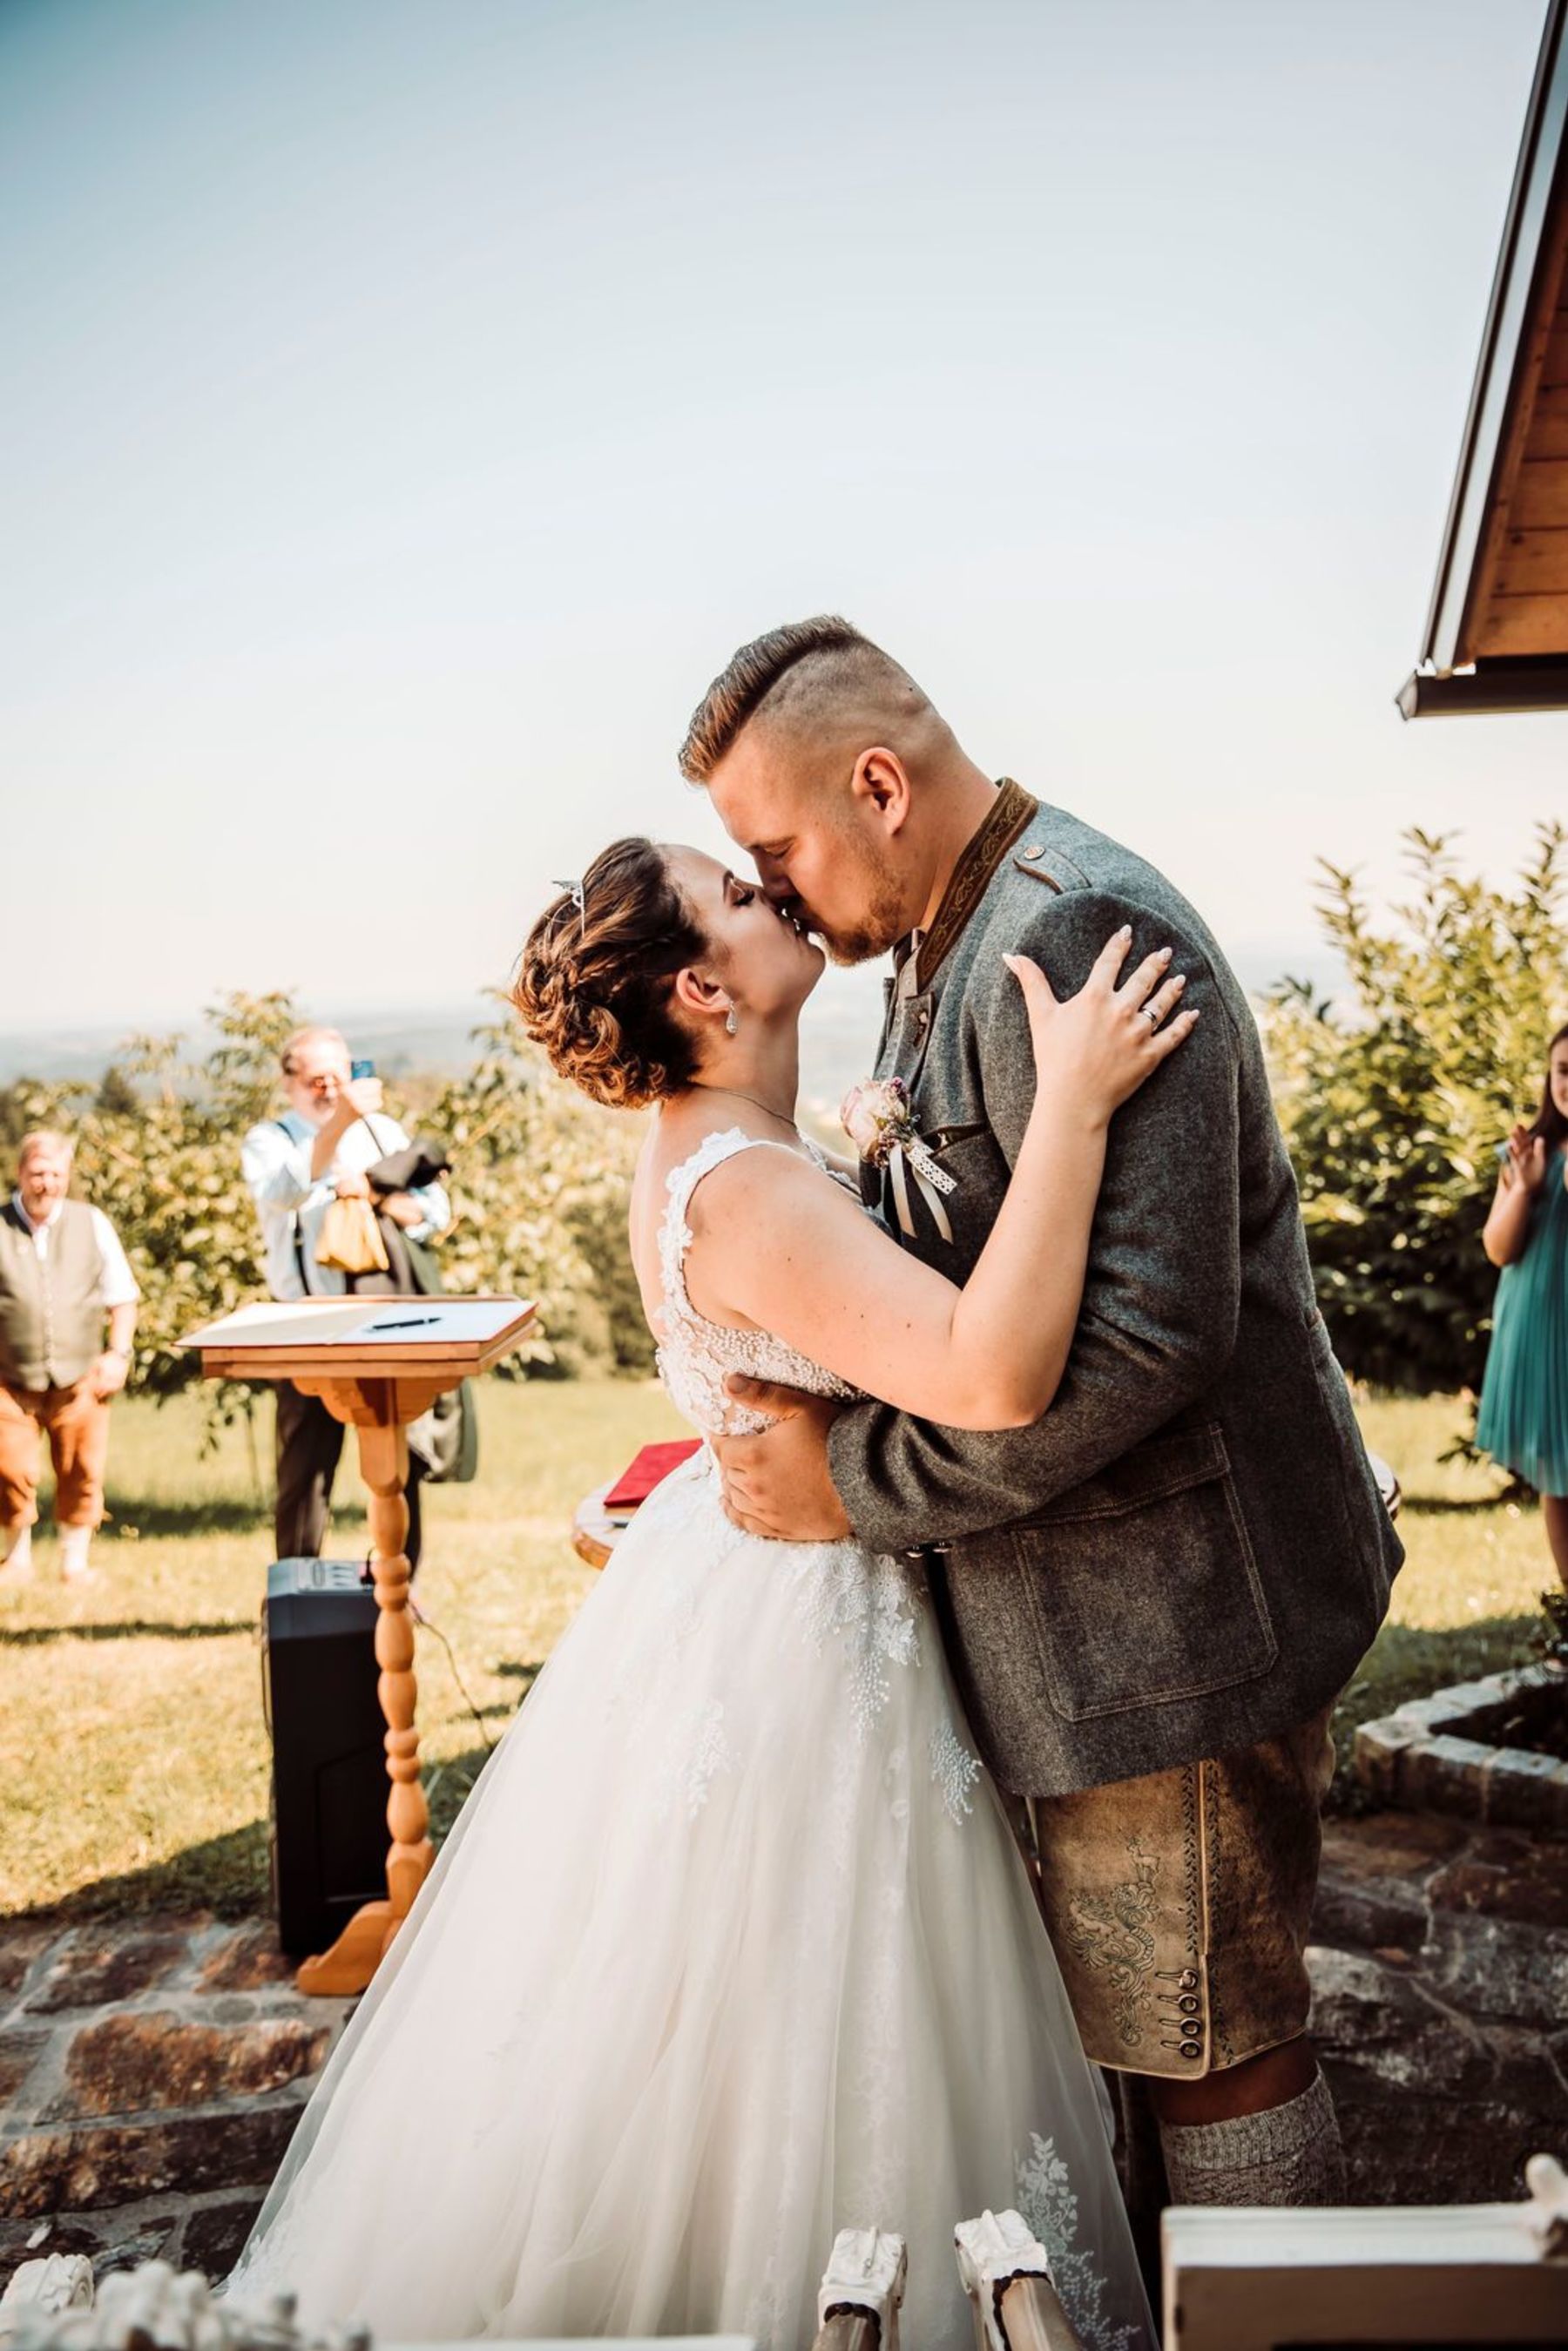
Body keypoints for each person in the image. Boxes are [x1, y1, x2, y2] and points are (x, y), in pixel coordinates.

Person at [225, 836, 1184, 2348]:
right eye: (735, 895)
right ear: (704, 990)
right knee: (815, 1998)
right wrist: (1070, 1104)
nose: (768, 886)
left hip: (743, 1585)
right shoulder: (744, 1186)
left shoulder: (718, 1145)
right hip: (801, 1632)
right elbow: (991, 1372)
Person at [681, 616, 1403, 2225]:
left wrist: (852, 1481)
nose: (775, 892)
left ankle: (1268, 2321)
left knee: (1213, 2051)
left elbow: (1149, 1338)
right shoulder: (940, 928)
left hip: (1173, 1628)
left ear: (878, 786)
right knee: (1138, 2054)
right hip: (1090, 1626)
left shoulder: (1075, 929)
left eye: (777, 851)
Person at [240, 1028, 450, 1571]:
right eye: (317, 1080)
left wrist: (374, 1192)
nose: (330, 1090)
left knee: (399, 1459)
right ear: (289, 1083)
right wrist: (339, 1126)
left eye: (338, 1077)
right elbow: (283, 1192)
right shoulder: (270, 1140)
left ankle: (402, 1582)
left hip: (383, 1318)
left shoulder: (382, 1131)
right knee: (304, 1464)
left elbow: (434, 1213)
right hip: (306, 1323)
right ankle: (296, 1584)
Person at [0, 1130, 139, 1587]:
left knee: (82, 1469)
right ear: (20, 1172)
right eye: (39, 1173)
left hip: (80, 1374)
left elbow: (122, 1296)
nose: (47, 1183)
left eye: (57, 1174)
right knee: (9, 1468)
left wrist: (118, 1354)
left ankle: (74, 1563)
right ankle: (15, 1559)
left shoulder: (90, 1222)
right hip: (8, 1377)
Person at [1477, 1021, 1568, 1585]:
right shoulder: (1530, 1151)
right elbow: (1498, 1248)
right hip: (1545, 1332)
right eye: (1564, 1070)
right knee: (1561, 1480)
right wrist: (1526, 1188)